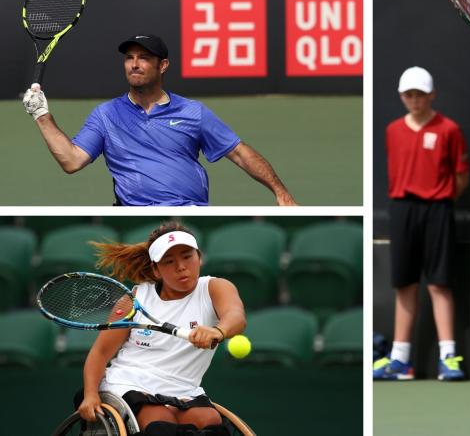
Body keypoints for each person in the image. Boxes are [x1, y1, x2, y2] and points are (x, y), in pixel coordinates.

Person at [22, 34, 296, 206]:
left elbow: (239, 153)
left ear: (162, 65)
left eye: (144, 58)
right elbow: (71, 160)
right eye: (129, 58)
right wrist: (41, 116)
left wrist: (280, 192)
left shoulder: (193, 112)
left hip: (189, 211)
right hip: (134, 211)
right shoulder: (106, 115)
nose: (134, 64)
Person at [76, 221, 246, 435]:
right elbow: (100, 352)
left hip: (184, 390)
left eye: (187, 256)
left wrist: (218, 331)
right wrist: (90, 394)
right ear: (156, 270)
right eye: (169, 261)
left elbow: (236, 316)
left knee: (210, 421)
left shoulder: (215, 288)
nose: (181, 266)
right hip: (129, 383)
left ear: (199, 257)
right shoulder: (134, 299)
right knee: (159, 421)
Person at [373, 66, 470, 381]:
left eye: (420, 94)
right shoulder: (392, 130)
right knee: (404, 283)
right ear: (402, 96)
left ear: (431, 95)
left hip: (438, 210)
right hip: (402, 210)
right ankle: (400, 359)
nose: (414, 100)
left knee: (439, 283)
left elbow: (461, 176)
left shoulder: (449, 129)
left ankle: (448, 357)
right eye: (409, 94)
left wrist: (440, 200)